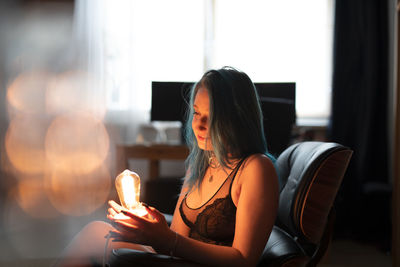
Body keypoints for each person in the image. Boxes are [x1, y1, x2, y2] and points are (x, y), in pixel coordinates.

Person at [55, 66, 279, 267]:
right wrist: (146, 225)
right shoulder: (201, 164)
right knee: (96, 232)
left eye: (211, 117)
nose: (198, 125)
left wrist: (164, 239)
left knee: (96, 238)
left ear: (238, 118)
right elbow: (177, 236)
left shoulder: (256, 168)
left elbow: (243, 260)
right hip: (181, 261)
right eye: (196, 113)